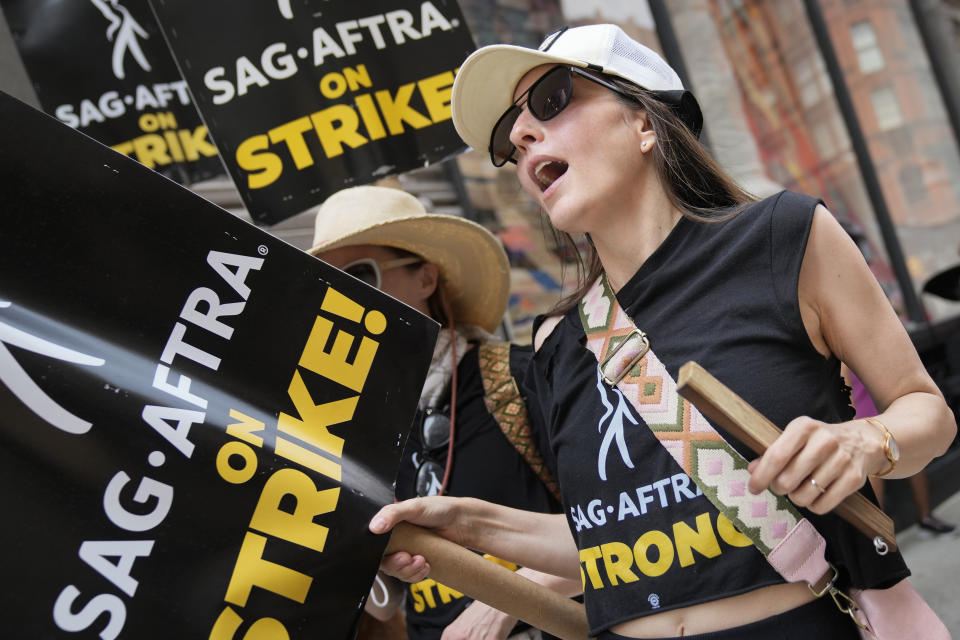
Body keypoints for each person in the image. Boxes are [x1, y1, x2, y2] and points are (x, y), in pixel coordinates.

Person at [367, 23, 958, 640]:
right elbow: (613, 543)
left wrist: (864, 442)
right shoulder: (554, 341)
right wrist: (469, 527)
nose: (519, 136)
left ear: (645, 123)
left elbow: (929, 416)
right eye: (507, 140)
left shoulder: (784, 238)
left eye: (550, 100)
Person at [308, 185, 577, 640]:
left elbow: (620, 525)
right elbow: (382, 601)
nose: (348, 299)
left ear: (426, 279)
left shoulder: (516, 380)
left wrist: (506, 604)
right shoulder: (346, 429)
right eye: (332, 286)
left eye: (361, 275)